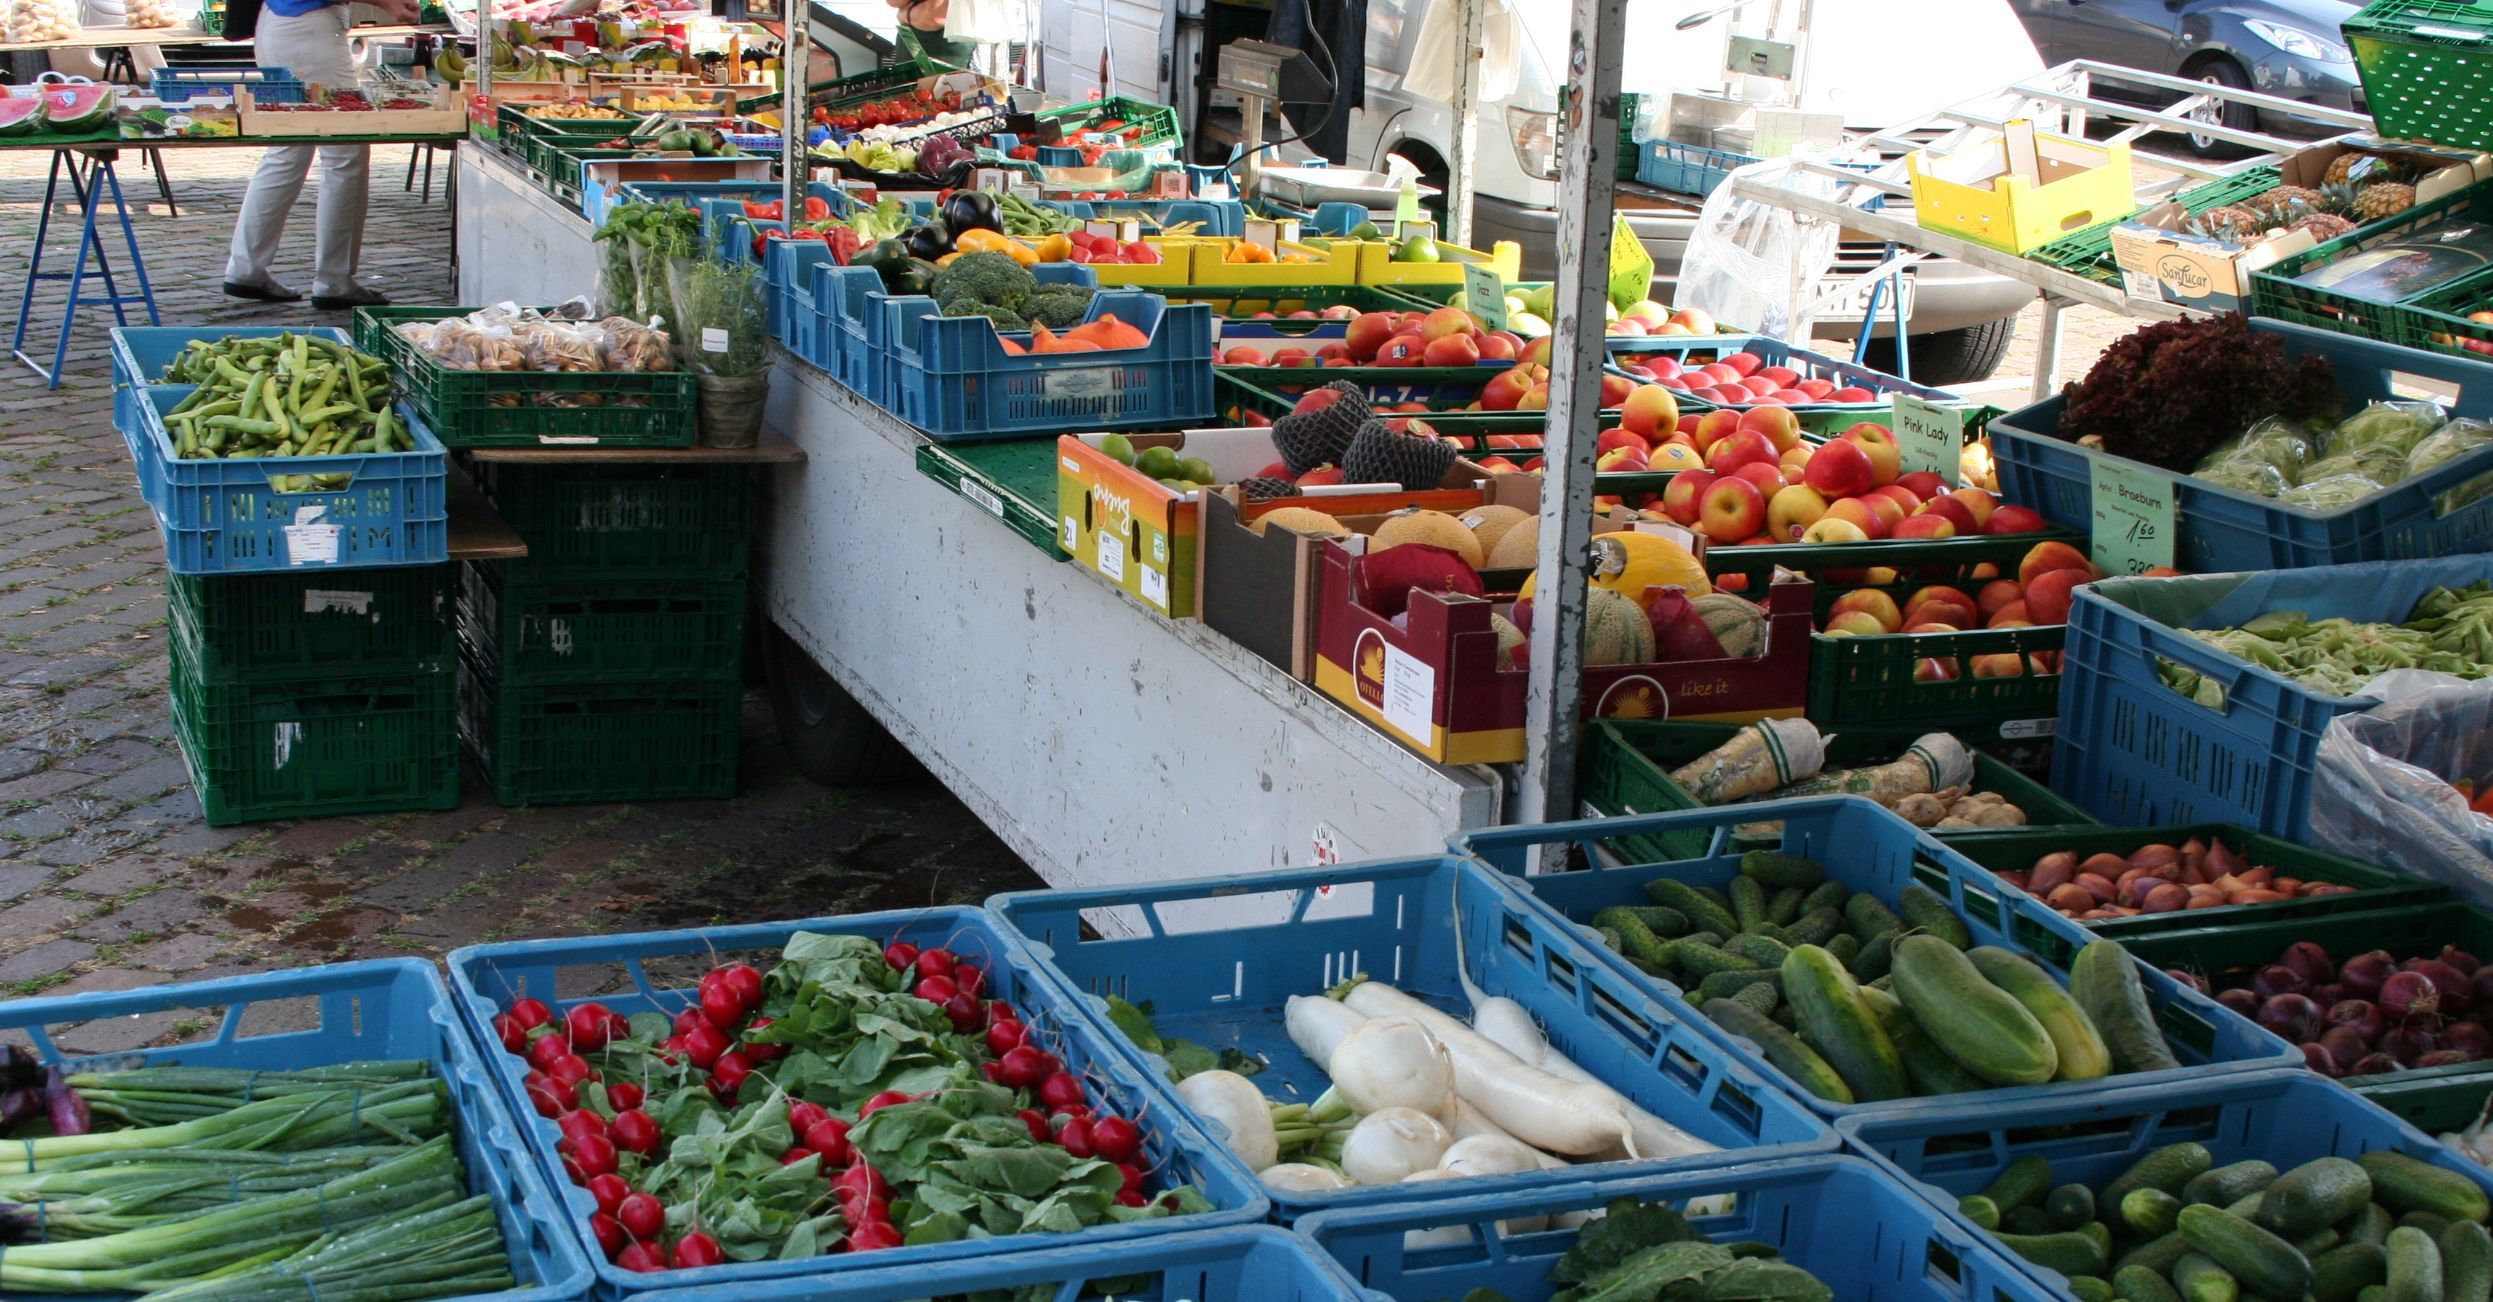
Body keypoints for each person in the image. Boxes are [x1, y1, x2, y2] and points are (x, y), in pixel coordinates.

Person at [222, 0, 418, 308]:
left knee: (287, 150)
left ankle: (246, 268)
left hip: (280, 24)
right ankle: (334, 279)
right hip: (309, 30)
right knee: (345, 153)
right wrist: (388, 5)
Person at [885, 0, 975, 69]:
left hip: (944, 50)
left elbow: (931, 18)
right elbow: (893, 1)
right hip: (909, 47)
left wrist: (904, 14)